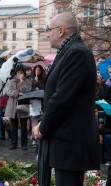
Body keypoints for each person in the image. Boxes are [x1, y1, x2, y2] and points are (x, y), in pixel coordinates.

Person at [32, 12, 100, 185]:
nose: (47, 34)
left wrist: (42, 127)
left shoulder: (76, 53)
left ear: (60, 30)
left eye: (49, 29)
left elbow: (62, 98)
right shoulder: (69, 51)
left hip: (71, 142)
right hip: (65, 140)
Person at [4, 67, 32, 150]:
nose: (20, 74)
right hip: (13, 106)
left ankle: (24, 144)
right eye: (18, 72)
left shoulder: (28, 81)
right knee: (14, 126)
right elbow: (9, 91)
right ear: (15, 73)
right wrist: (17, 93)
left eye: (21, 72)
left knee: (24, 126)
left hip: (23, 105)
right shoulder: (11, 81)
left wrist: (21, 82)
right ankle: (13, 143)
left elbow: (27, 91)